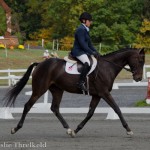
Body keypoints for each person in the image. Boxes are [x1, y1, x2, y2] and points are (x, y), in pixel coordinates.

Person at [71, 12, 98, 92]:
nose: (91, 22)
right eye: (89, 21)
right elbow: (83, 44)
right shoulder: (80, 30)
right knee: (87, 63)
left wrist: (96, 52)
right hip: (78, 51)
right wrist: (91, 52)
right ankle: (80, 82)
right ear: (84, 20)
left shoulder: (85, 30)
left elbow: (89, 44)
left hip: (83, 51)